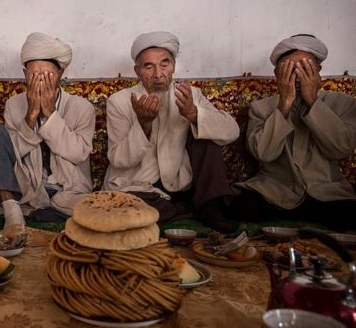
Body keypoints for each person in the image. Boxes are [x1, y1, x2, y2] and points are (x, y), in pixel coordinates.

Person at [103, 31, 240, 232]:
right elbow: (119, 159)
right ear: (138, 70)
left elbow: (231, 131)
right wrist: (143, 124)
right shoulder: (120, 101)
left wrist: (194, 114)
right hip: (138, 187)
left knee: (208, 132)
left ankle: (209, 207)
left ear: (173, 66)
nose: (158, 74)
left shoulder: (189, 95)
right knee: (128, 208)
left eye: (164, 64)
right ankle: (187, 210)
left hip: (180, 183)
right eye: (149, 66)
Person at [231, 34, 356, 231]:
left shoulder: (343, 104)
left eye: (305, 69)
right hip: (275, 192)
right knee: (242, 208)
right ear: (277, 74)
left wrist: (312, 101)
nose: (298, 77)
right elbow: (264, 153)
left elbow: (340, 149)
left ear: (319, 70)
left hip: (326, 192)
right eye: (290, 70)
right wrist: (284, 104)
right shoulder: (261, 108)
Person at [0, 32, 95, 228]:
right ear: (24, 74)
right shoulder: (13, 105)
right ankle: (12, 211)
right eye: (33, 75)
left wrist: (50, 113)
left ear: (60, 74)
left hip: (69, 190)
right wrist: (31, 115)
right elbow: (10, 154)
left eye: (48, 75)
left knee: (93, 211)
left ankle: (40, 212)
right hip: (27, 187)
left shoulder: (82, 107)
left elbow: (77, 154)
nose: (40, 81)